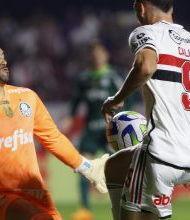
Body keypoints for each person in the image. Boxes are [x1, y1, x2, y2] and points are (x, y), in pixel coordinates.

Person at [102, 0, 190, 219]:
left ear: (141, 7)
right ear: (171, 7)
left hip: (162, 154)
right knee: (115, 165)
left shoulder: (146, 33)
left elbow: (146, 66)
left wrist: (117, 100)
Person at [0, 41, 108, 220]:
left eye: (3, 56)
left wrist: (87, 167)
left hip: (36, 193)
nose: (3, 61)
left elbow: (52, 137)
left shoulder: (27, 96)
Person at [60, 41, 124, 220]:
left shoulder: (115, 75)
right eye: (94, 54)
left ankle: (124, 203)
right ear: (90, 56)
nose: (97, 56)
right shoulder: (84, 78)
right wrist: (68, 119)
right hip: (90, 130)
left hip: (110, 130)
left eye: (100, 53)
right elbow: (74, 104)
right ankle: (85, 210)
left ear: (106, 55)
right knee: (83, 167)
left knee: (117, 168)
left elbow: (129, 98)